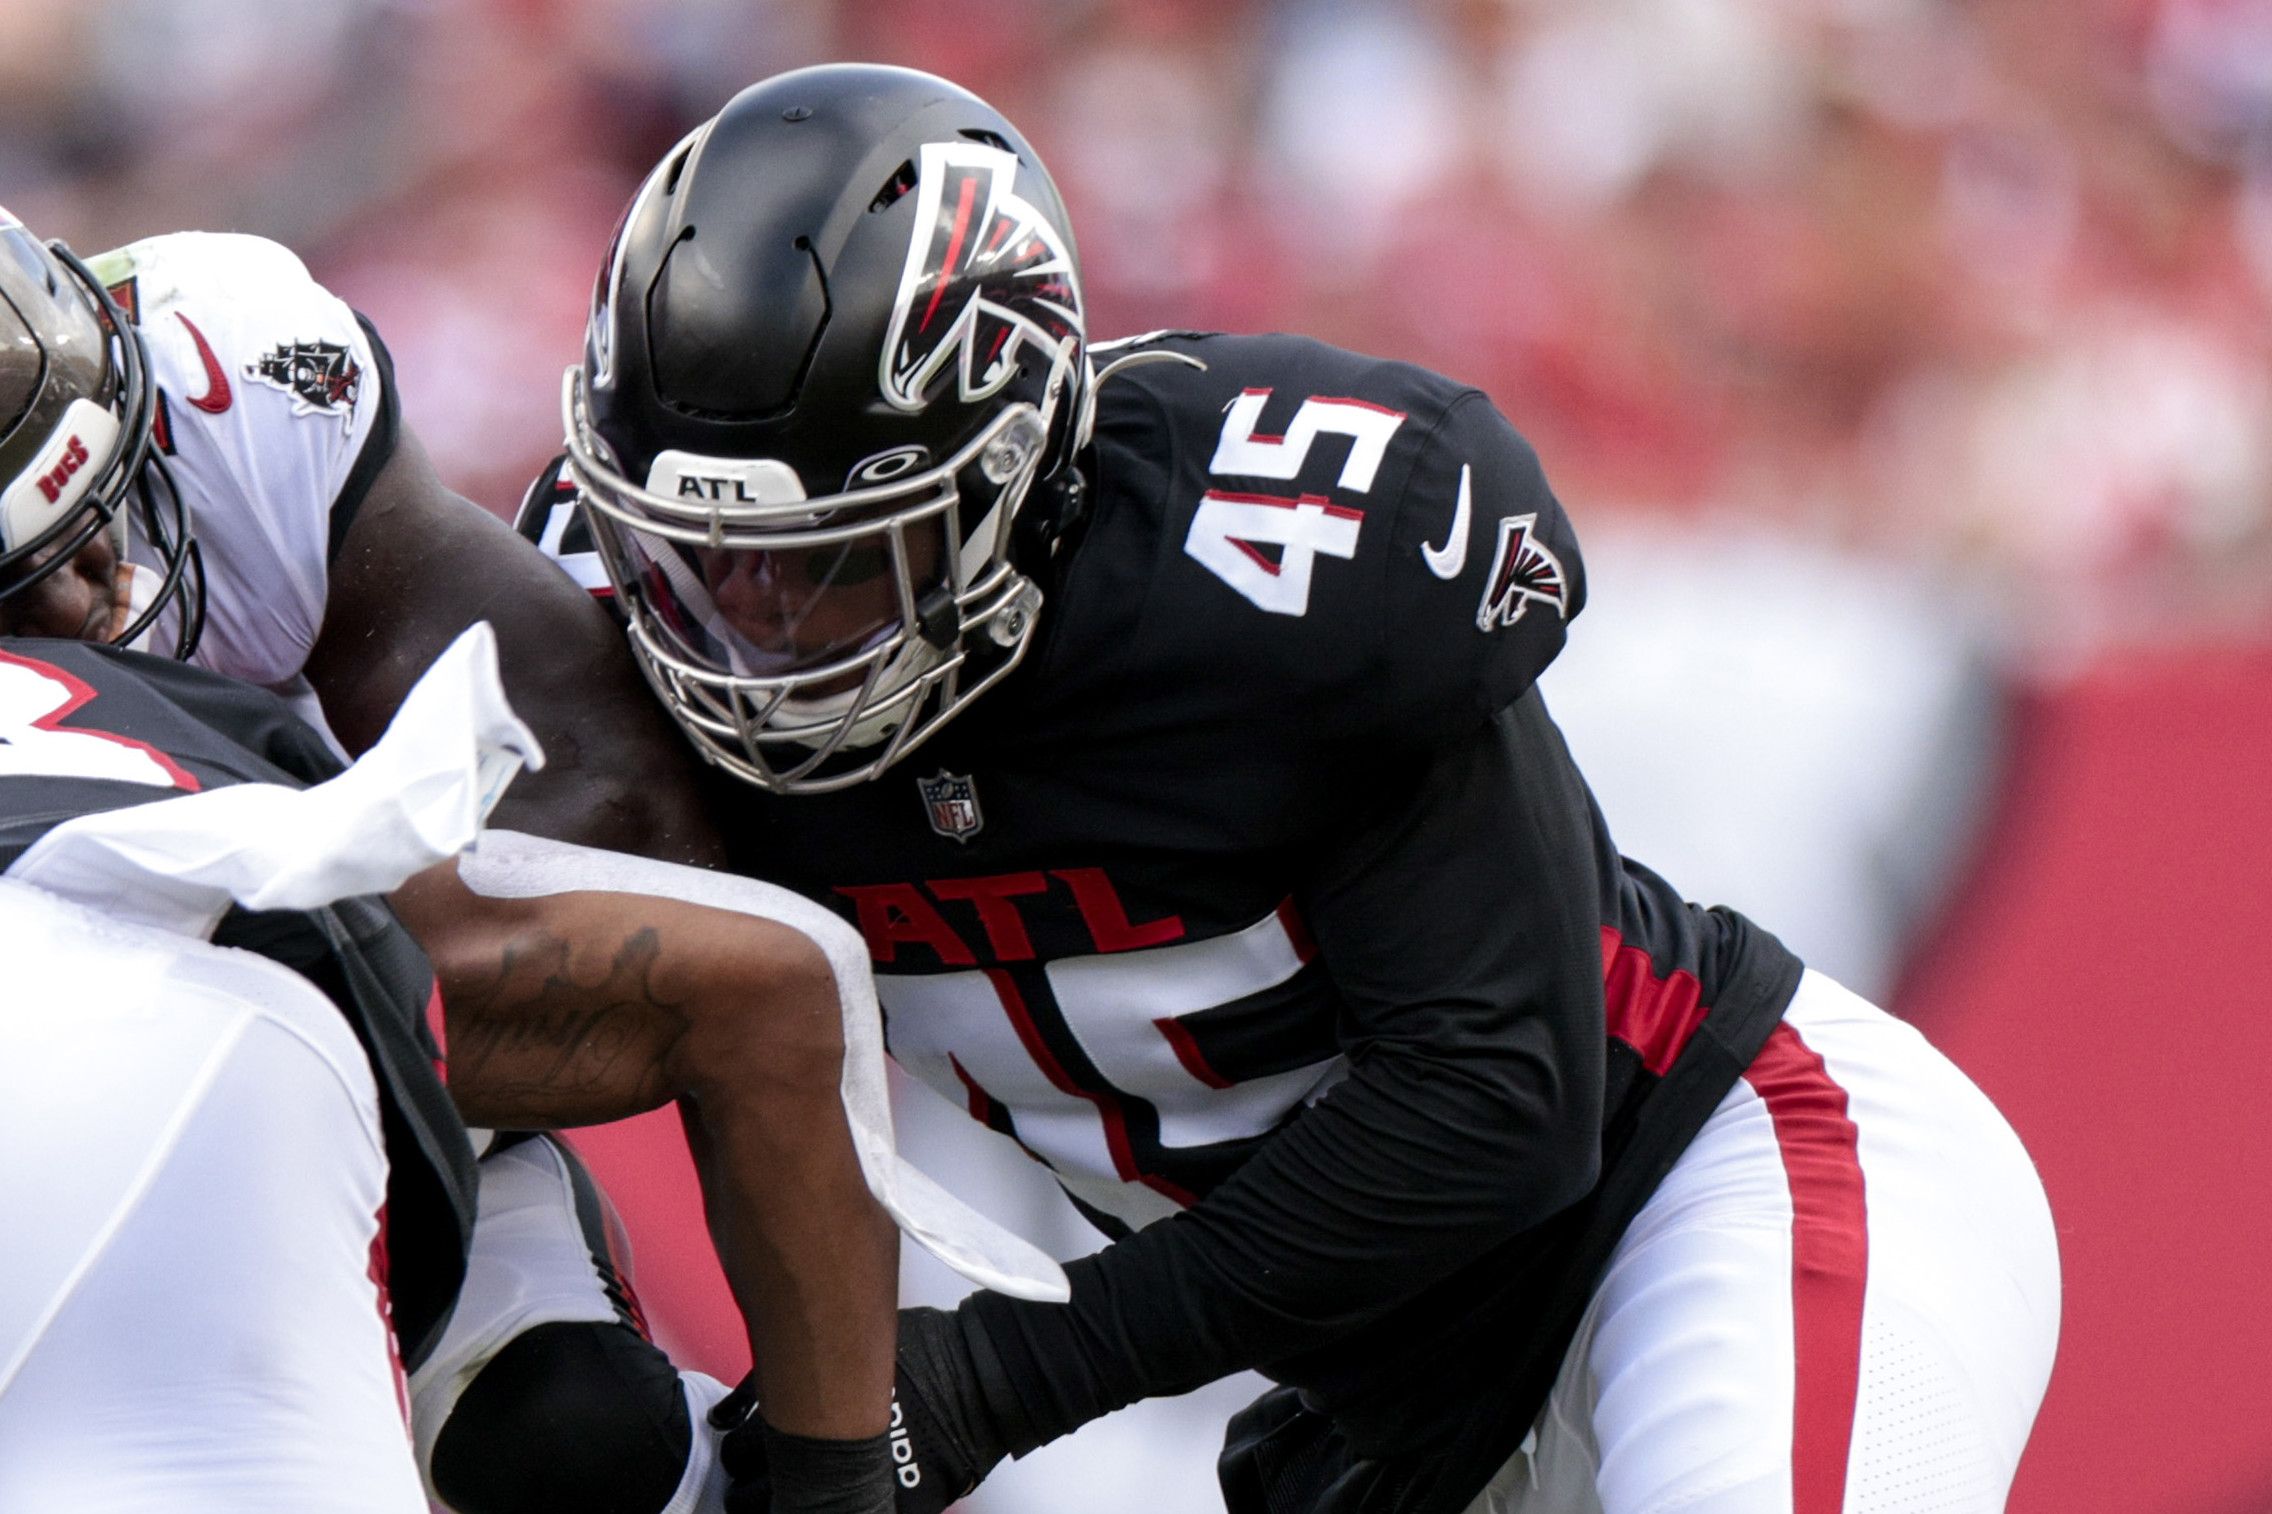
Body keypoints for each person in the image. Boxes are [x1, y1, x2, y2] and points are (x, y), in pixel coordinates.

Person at [519, 64, 2062, 1514]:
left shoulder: (1270, 570)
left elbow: (1496, 1103)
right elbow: (467, 1019)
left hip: (1699, 1189)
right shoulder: (602, 637)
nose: (750, 636)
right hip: (1388, 1398)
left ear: (1012, 470)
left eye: (834, 566)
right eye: (698, 561)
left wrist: (989, 1377)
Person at [0, 208, 902, 1514]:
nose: (97, 596)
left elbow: (621, 809)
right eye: (17, 591)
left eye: (109, 513)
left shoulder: (233, 376)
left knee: (571, 1434)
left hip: (341, 1019)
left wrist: (309, 1000)